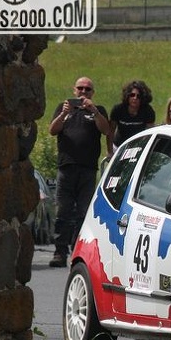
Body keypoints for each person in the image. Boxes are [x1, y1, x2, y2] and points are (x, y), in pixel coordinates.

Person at [47, 76, 111, 268]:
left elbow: (107, 130)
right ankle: (59, 251)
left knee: (83, 213)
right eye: (80, 89)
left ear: (93, 93)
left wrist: (94, 111)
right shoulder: (63, 108)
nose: (83, 93)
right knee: (63, 212)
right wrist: (64, 114)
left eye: (87, 90)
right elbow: (52, 130)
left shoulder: (97, 111)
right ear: (74, 90)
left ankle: (78, 250)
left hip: (87, 169)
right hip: (66, 167)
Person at [109, 80, 155, 147]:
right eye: (132, 95)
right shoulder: (118, 109)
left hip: (138, 145)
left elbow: (149, 133)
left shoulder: (148, 111)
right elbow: (111, 131)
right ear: (128, 96)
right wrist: (110, 151)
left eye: (138, 96)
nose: (135, 98)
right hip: (119, 145)